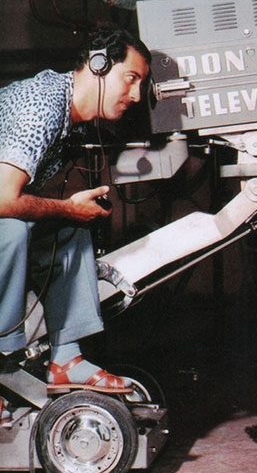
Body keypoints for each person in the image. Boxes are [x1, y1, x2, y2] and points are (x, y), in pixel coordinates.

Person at [0, 25, 152, 426]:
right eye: (131, 78)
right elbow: (3, 200)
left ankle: (67, 359)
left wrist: (69, 214)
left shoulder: (73, 117)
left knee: (68, 229)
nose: (137, 95)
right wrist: (68, 208)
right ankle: (2, 361)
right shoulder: (43, 104)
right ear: (99, 65)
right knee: (14, 228)